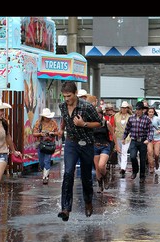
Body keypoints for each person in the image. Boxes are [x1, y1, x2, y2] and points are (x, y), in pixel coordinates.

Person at [57, 81, 102, 221]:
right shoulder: (62, 106)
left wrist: (84, 124)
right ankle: (65, 208)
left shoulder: (87, 107)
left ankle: (88, 202)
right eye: (64, 96)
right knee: (68, 172)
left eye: (69, 96)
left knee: (86, 176)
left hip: (87, 144)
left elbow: (99, 123)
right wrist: (61, 129)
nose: (66, 99)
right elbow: (65, 119)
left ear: (75, 94)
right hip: (71, 143)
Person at [122, 101, 153, 183]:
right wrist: (124, 138)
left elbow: (150, 130)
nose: (138, 111)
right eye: (137, 109)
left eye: (140, 110)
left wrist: (148, 139)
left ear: (142, 110)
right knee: (132, 156)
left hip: (143, 141)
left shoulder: (147, 119)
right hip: (134, 140)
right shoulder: (131, 118)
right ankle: (135, 171)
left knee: (142, 159)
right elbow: (127, 129)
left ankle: (142, 176)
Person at [93, 107, 120, 192]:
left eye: (99, 114)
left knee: (101, 165)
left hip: (105, 145)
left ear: (102, 114)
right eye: (96, 114)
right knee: (97, 168)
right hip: (95, 146)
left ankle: (106, 175)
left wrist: (117, 146)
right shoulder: (92, 124)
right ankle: (100, 185)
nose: (97, 116)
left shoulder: (106, 123)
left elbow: (113, 134)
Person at [32, 108, 59, 184]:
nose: (48, 118)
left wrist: (52, 133)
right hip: (40, 144)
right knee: (41, 161)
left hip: (50, 144)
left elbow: (58, 132)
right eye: (47, 117)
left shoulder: (53, 122)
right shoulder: (38, 123)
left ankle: (45, 177)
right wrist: (41, 134)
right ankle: (45, 171)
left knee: (47, 160)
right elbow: (34, 133)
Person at [113, 101, 132, 177]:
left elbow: (131, 127)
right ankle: (121, 165)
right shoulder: (116, 115)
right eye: (122, 108)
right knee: (119, 151)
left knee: (124, 152)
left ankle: (123, 168)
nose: (123, 109)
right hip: (118, 135)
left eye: (125, 108)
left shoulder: (130, 116)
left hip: (127, 136)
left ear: (127, 108)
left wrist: (128, 136)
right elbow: (114, 126)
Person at [146, 106, 160, 173]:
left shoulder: (157, 119)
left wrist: (159, 130)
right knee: (150, 152)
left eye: (152, 112)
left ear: (154, 112)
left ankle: (156, 161)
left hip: (157, 138)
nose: (151, 113)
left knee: (156, 154)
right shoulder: (145, 119)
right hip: (149, 139)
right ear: (147, 112)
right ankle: (151, 167)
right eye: (149, 112)